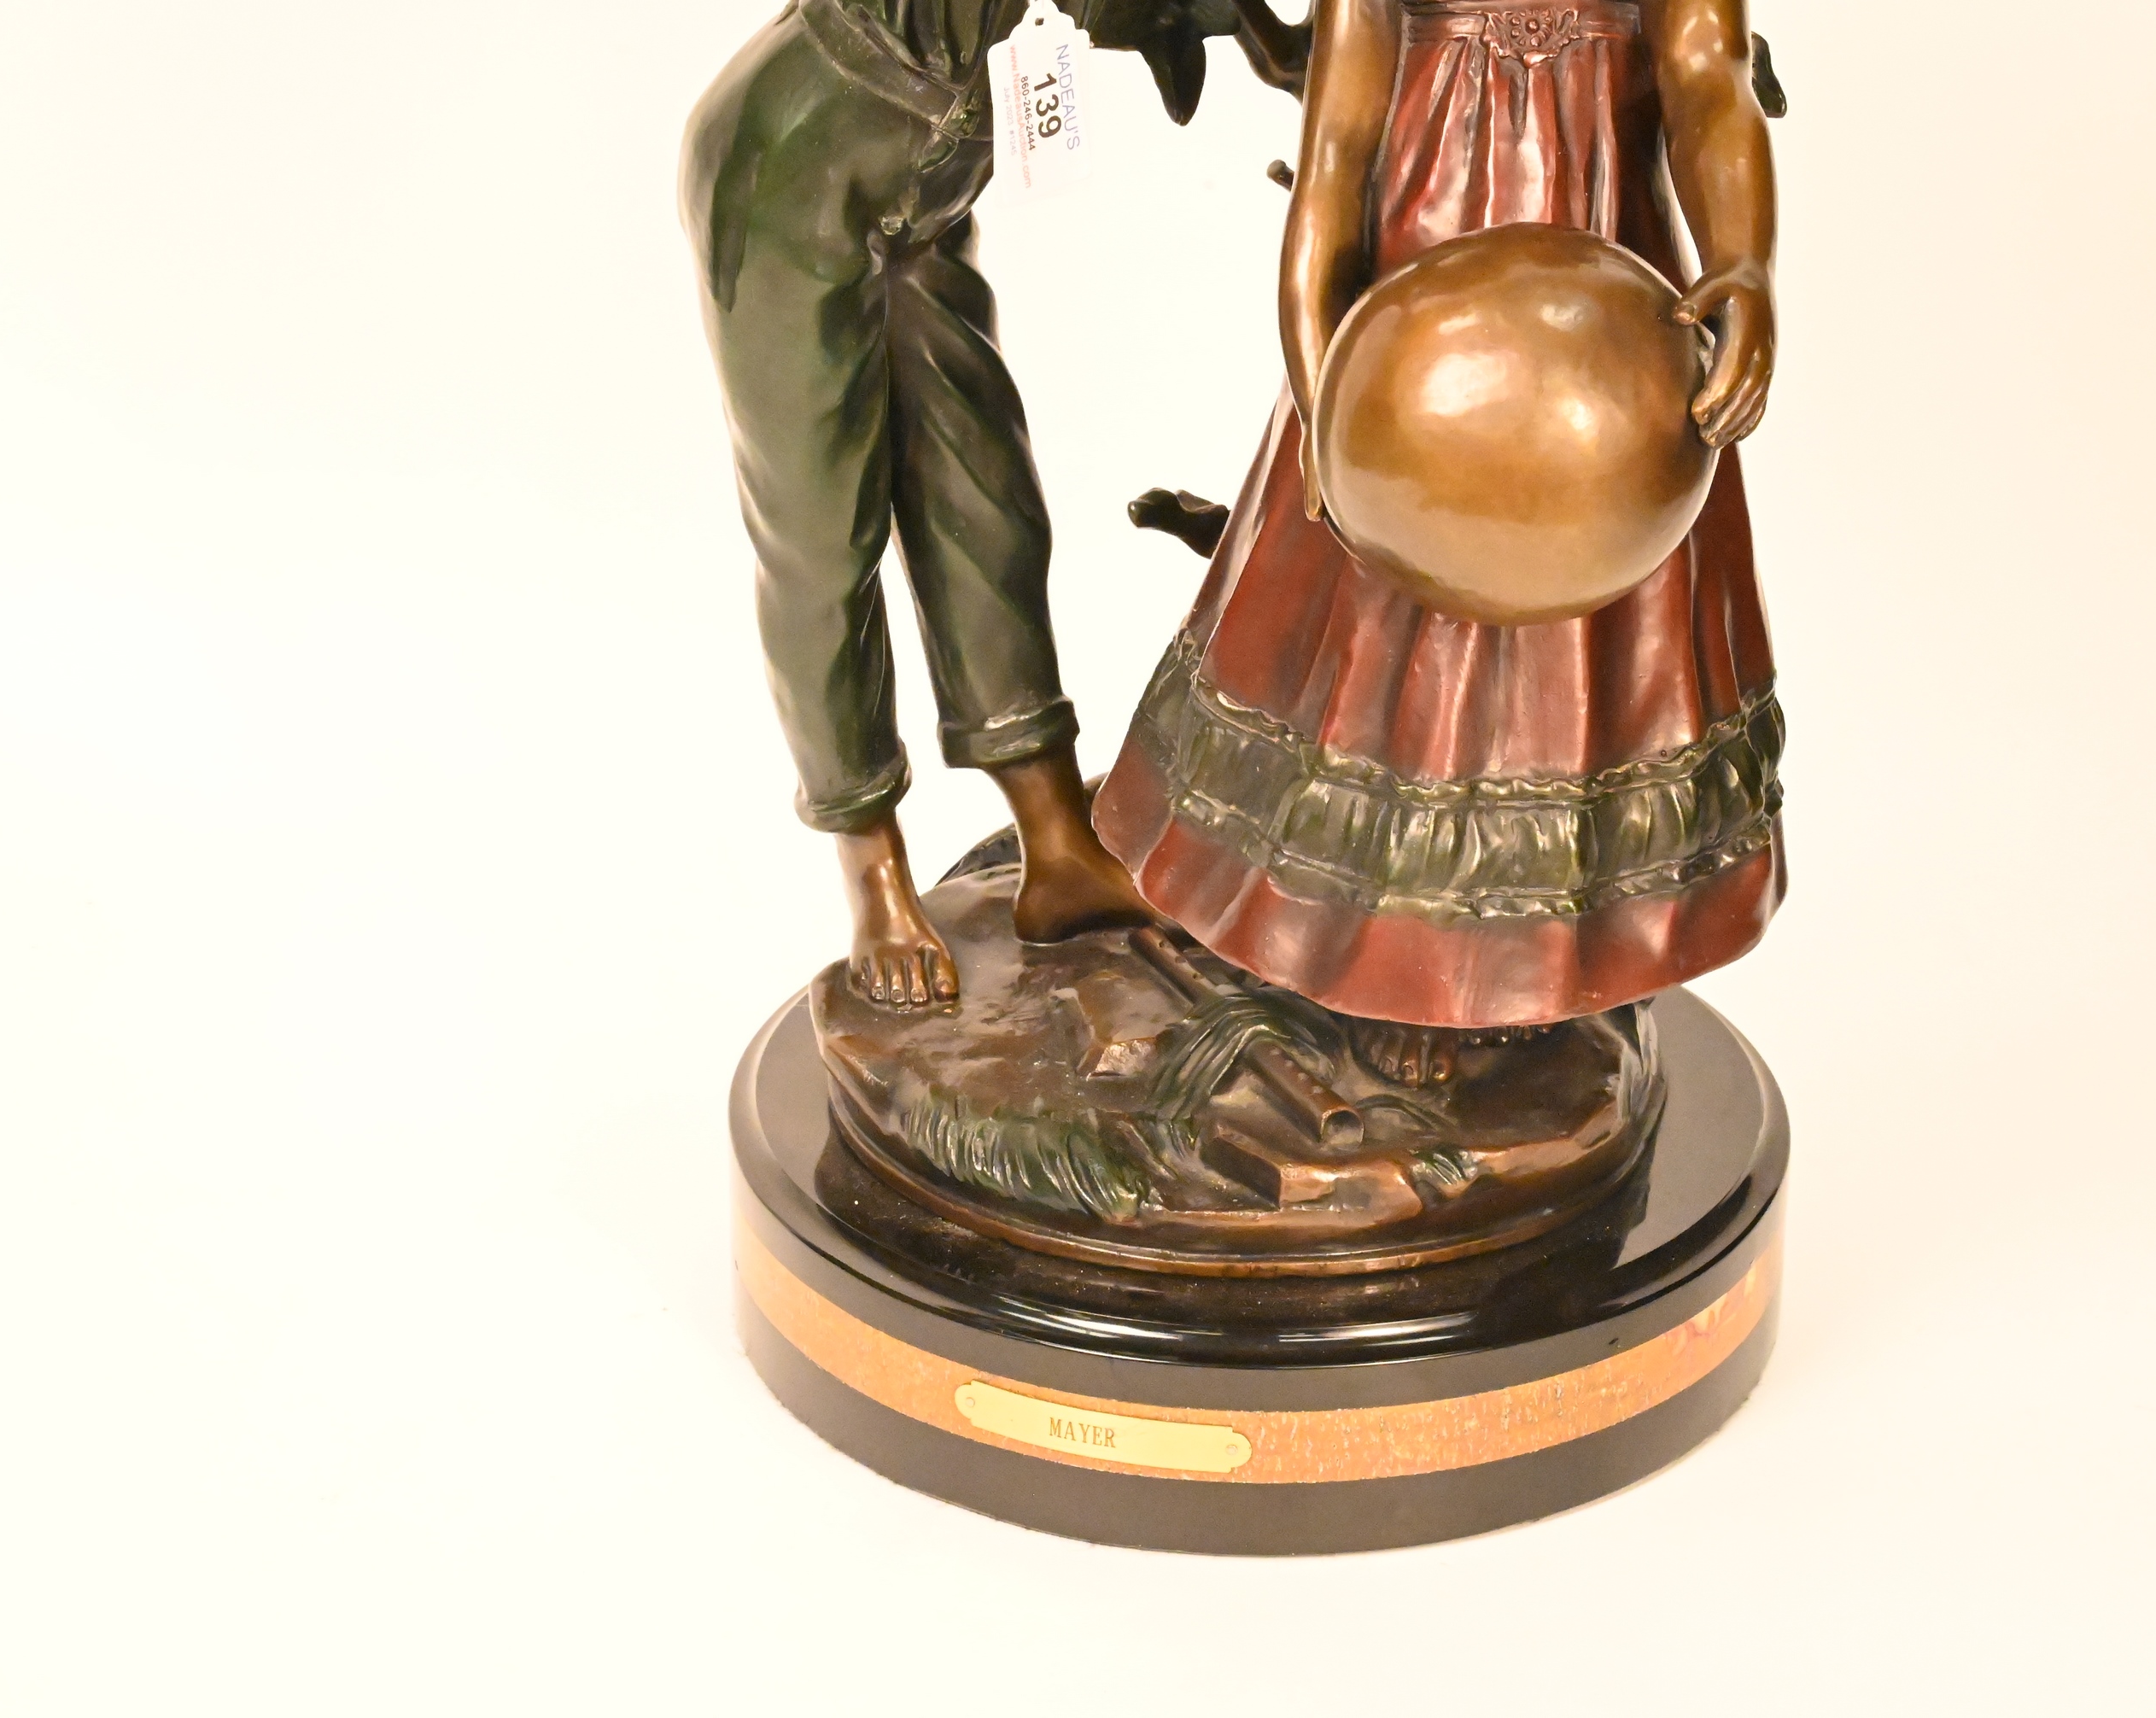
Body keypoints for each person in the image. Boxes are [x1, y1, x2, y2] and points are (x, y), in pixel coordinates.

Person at [1093, 0, 1786, 1082]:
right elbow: (1336, 153)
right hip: (1412, 317)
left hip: (1611, 332)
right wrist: (1325, 408)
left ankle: (1558, 942)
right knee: (1396, 639)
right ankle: (1401, 953)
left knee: (1589, 626)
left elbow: (1709, 76)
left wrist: (1745, 263)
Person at [681, 0, 1255, 1009]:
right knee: (822, 533)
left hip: (926, 190)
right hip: (787, 170)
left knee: (985, 497)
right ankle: (871, 862)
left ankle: (1055, 836)